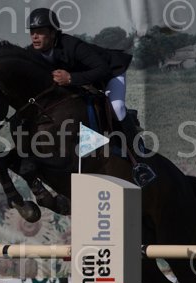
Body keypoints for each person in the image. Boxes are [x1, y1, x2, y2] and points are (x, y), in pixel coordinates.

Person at [27, 8, 156, 185]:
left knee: (117, 108)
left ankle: (139, 160)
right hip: (83, 82)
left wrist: (71, 78)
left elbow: (102, 69)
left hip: (110, 73)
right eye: (32, 32)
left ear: (53, 33)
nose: (35, 37)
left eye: (40, 32)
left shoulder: (71, 45)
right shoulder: (32, 53)